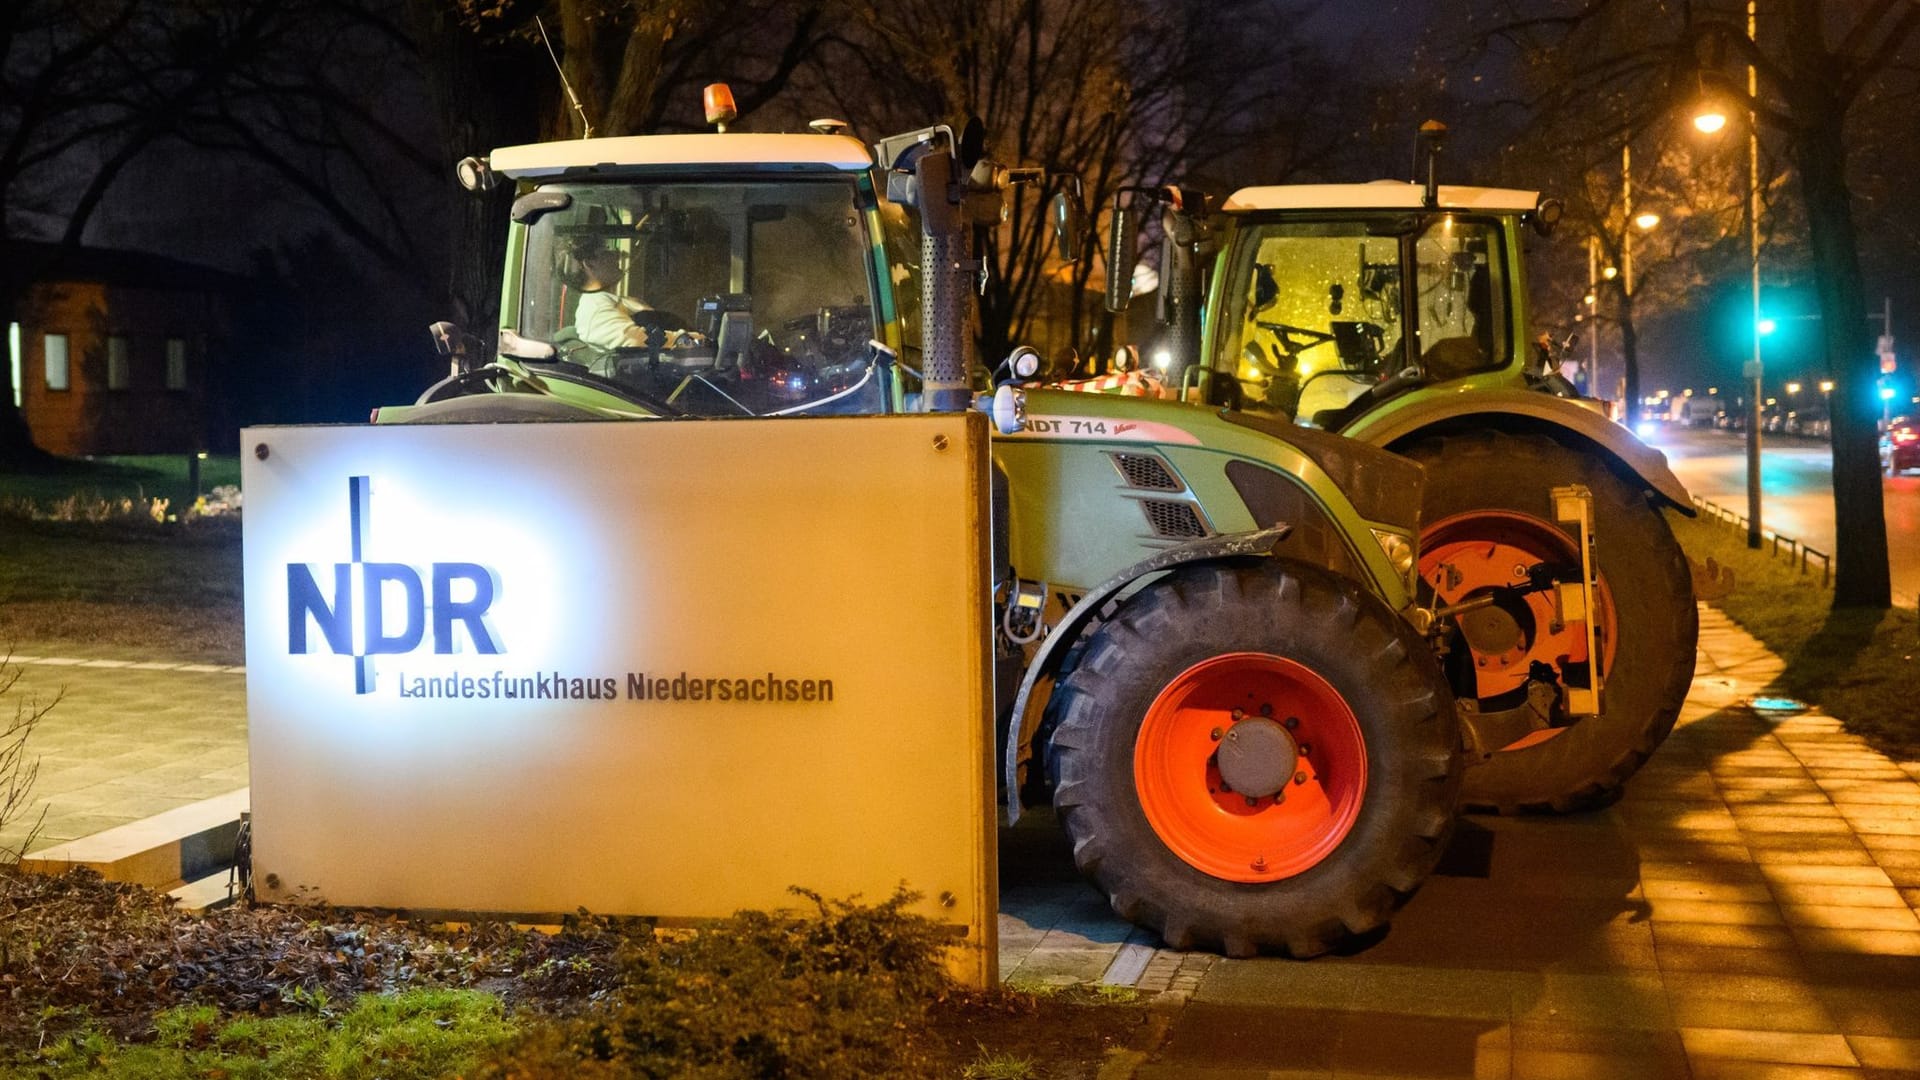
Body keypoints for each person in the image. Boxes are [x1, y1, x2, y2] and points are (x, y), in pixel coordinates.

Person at [563, 241, 703, 352]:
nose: (616, 255)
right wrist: (696, 341)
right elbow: (634, 341)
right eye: (605, 251)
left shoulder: (613, 301)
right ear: (589, 263)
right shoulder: (595, 309)